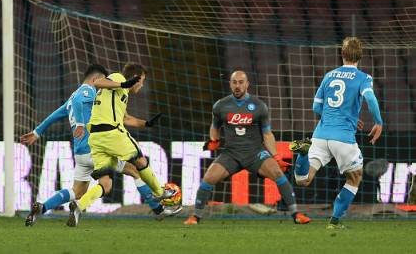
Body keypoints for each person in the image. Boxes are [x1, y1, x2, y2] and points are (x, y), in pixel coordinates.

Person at [21, 64, 178, 226]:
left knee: (78, 191)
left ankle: (42, 207)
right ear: (97, 79)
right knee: (133, 170)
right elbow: (78, 100)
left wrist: (37, 132)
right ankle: (158, 209)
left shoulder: (76, 97)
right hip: (95, 146)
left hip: (80, 152)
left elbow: (55, 115)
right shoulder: (87, 91)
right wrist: (81, 124)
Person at [183, 71, 311, 225]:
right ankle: (195, 216)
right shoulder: (220, 106)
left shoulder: (259, 106)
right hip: (231, 154)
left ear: (247, 84)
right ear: (230, 84)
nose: (238, 86)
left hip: (255, 153)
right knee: (208, 178)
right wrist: (214, 139)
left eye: (241, 82)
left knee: (277, 172)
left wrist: (276, 157)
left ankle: (296, 214)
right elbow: (214, 126)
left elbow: (267, 135)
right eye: (234, 82)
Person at [67, 63, 179, 227]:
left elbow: (126, 119)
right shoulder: (118, 78)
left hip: (96, 139)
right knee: (140, 161)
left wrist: (146, 123)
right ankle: (161, 193)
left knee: (106, 184)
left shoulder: (117, 95)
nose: (142, 85)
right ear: (136, 78)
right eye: (142, 81)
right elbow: (97, 82)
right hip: (111, 133)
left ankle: (78, 206)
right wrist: (124, 83)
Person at [290, 37, 383, 229]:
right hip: (343, 138)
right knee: (355, 177)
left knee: (304, 180)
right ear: (361, 55)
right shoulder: (363, 78)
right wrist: (379, 122)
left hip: (320, 135)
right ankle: (335, 221)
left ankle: (302, 154)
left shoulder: (329, 75)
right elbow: (371, 99)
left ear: (342, 54)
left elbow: (316, 107)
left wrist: (341, 115)